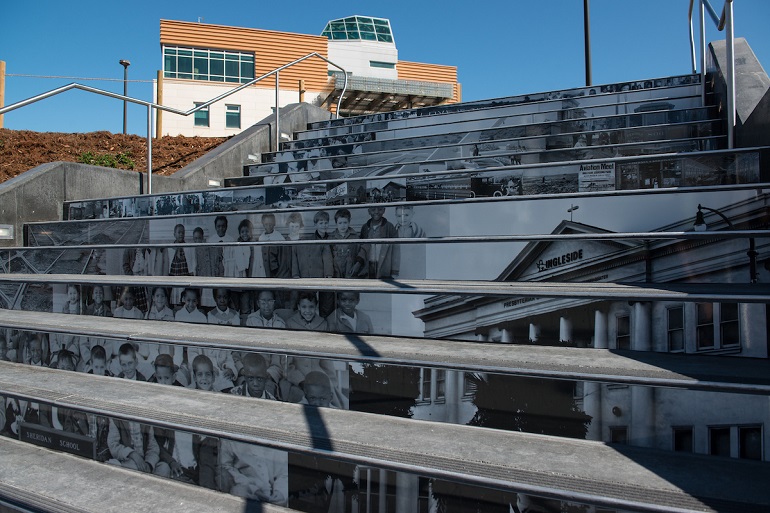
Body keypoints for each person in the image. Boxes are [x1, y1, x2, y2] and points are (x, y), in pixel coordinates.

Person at [219, 439, 288, 505]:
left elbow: (284, 471)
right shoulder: (230, 439)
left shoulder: (277, 437)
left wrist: (281, 492)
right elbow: (224, 467)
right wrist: (252, 489)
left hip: (275, 498)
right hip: (245, 492)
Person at [359, 206, 400, 279]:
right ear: (368, 211)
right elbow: (362, 249)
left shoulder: (390, 227)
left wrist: (395, 270)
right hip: (369, 265)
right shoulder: (365, 228)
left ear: (384, 210)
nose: (376, 212)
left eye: (380, 209)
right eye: (373, 209)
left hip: (384, 266)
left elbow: (396, 249)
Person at [330, 208, 362, 279]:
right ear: (336, 223)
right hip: (336, 271)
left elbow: (359, 253)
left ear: (349, 222)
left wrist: (357, 265)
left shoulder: (355, 237)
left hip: (350, 270)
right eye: (340, 223)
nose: (343, 226)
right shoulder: (331, 238)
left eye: (345, 223)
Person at [259, 213, 289, 279]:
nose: (268, 227)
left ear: (274, 223)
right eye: (266, 224)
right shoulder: (261, 238)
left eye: (270, 224)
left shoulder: (279, 238)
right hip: (264, 270)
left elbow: (283, 259)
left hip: (276, 271)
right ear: (263, 224)